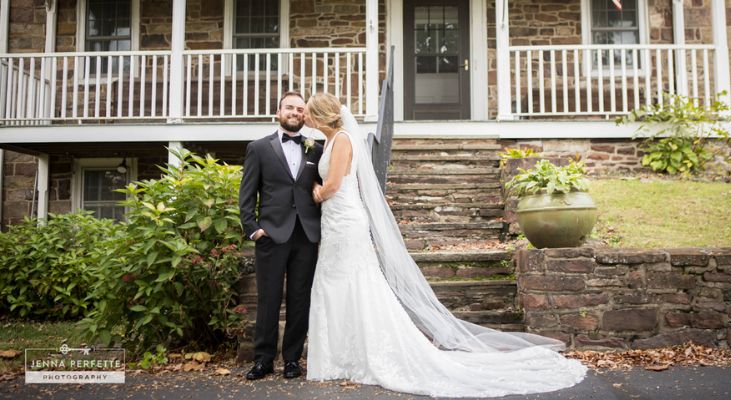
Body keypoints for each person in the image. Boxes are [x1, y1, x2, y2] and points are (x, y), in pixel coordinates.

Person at [302, 92, 587, 397]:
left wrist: (314, 193)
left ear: (319, 115)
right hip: (335, 222)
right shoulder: (332, 140)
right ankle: (344, 354)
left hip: (345, 221)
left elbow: (333, 185)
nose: (304, 116)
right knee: (338, 285)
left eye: (307, 112)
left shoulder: (343, 139)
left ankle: (359, 354)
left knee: (352, 283)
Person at [238, 91, 324, 380]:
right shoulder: (259, 148)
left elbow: (322, 187)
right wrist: (253, 230)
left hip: (306, 235)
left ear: (305, 115)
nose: (295, 112)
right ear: (278, 112)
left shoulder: (316, 148)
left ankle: (291, 359)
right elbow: (247, 194)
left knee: (300, 299)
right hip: (271, 235)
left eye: (300, 109)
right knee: (269, 299)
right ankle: (263, 360)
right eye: (290, 107)